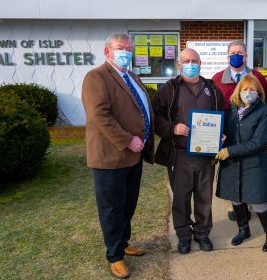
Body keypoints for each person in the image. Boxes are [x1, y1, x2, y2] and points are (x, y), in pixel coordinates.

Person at [81, 33, 154, 279]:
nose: (125, 52)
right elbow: (99, 115)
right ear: (107, 51)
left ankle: (123, 243)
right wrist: (127, 139)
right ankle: (115, 256)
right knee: (112, 208)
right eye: (120, 48)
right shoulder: (96, 77)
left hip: (133, 156)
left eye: (128, 49)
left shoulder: (131, 76)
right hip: (111, 157)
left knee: (127, 205)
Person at [152, 48, 225, 254]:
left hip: (205, 155)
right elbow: (155, 117)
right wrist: (172, 128)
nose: (191, 64)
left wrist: (222, 134)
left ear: (200, 64)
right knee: (181, 198)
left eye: (195, 61)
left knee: (204, 197)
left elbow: (223, 116)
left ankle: (202, 233)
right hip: (180, 153)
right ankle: (183, 235)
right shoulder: (170, 89)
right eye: (187, 61)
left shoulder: (211, 88)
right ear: (179, 64)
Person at [215, 74, 267, 252]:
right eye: (245, 89)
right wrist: (220, 139)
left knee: (259, 202)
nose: (248, 92)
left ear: (258, 92)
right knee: (236, 199)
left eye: (252, 89)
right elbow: (226, 131)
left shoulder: (264, 111)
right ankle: (243, 230)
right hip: (232, 163)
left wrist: (230, 150)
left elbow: (259, 142)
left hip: (253, 163)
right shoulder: (232, 109)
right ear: (239, 91)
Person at [212, 40, 267, 221]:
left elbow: (265, 102)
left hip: (252, 131)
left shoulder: (257, 78)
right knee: (231, 171)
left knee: (251, 172)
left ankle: (250, 202)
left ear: (246, 56)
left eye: (240, 53)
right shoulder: (217, 78)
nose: (236, 56)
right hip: (228, 133)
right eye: (232, 53)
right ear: (227, 57)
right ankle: (234, 204)